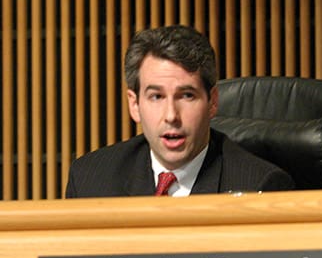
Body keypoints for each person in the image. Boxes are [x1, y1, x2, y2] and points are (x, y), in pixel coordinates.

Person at [65, 25, 294, 197]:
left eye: (186, 96)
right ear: (134, 105)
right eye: (156, 97)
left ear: (212, 101)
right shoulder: (90, 181)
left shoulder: (259, 186)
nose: (171, 116)